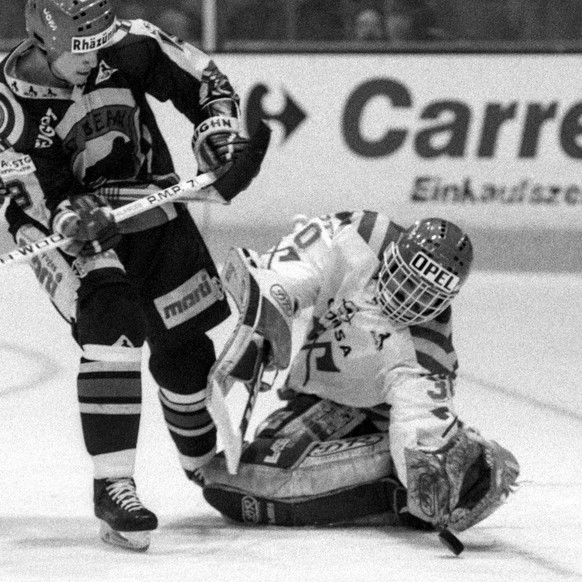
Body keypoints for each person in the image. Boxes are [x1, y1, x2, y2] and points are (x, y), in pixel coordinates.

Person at [0, 0, 264, 551]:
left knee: (184, 348)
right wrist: (70, 216)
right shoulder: (9, 107)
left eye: (99, 44)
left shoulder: (129, 45)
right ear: (43, 42)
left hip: (147, 204)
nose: (93, 57)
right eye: (79, 48)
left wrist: (215, 131)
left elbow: (205, 81)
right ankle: (113, 485)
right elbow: (25, 198)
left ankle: (205, 468)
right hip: (62, 228)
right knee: (113, 318)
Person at [199, 211, 520, 536]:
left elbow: (418, 425)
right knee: (251, 461)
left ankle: (398, 487)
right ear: (393, 254)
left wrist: (430, 479)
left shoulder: (428, 352)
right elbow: (300, 262)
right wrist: (277, 301)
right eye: (408, 279)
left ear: (445, 299)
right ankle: (388, 479)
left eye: (426, 295)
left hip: (377, 416)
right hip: (316, 397)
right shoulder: (367, 234)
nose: (409, 297)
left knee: (266, 479)